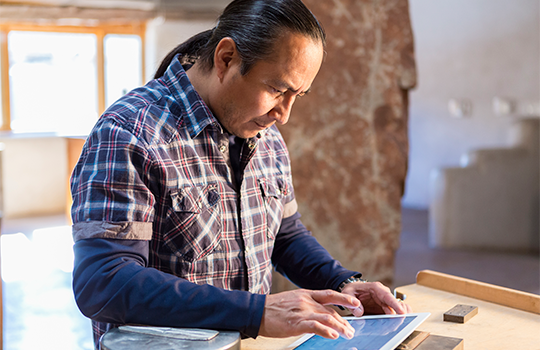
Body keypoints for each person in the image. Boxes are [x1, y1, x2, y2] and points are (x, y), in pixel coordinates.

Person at [70, 0, 411, 348]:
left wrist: (340, 284)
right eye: (278, 90)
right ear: (226, 58)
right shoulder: (129, 132)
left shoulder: (265, 136)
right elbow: (103, 283)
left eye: (298, 95)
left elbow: (284, 234)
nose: (285, 114)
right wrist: (255, 311)